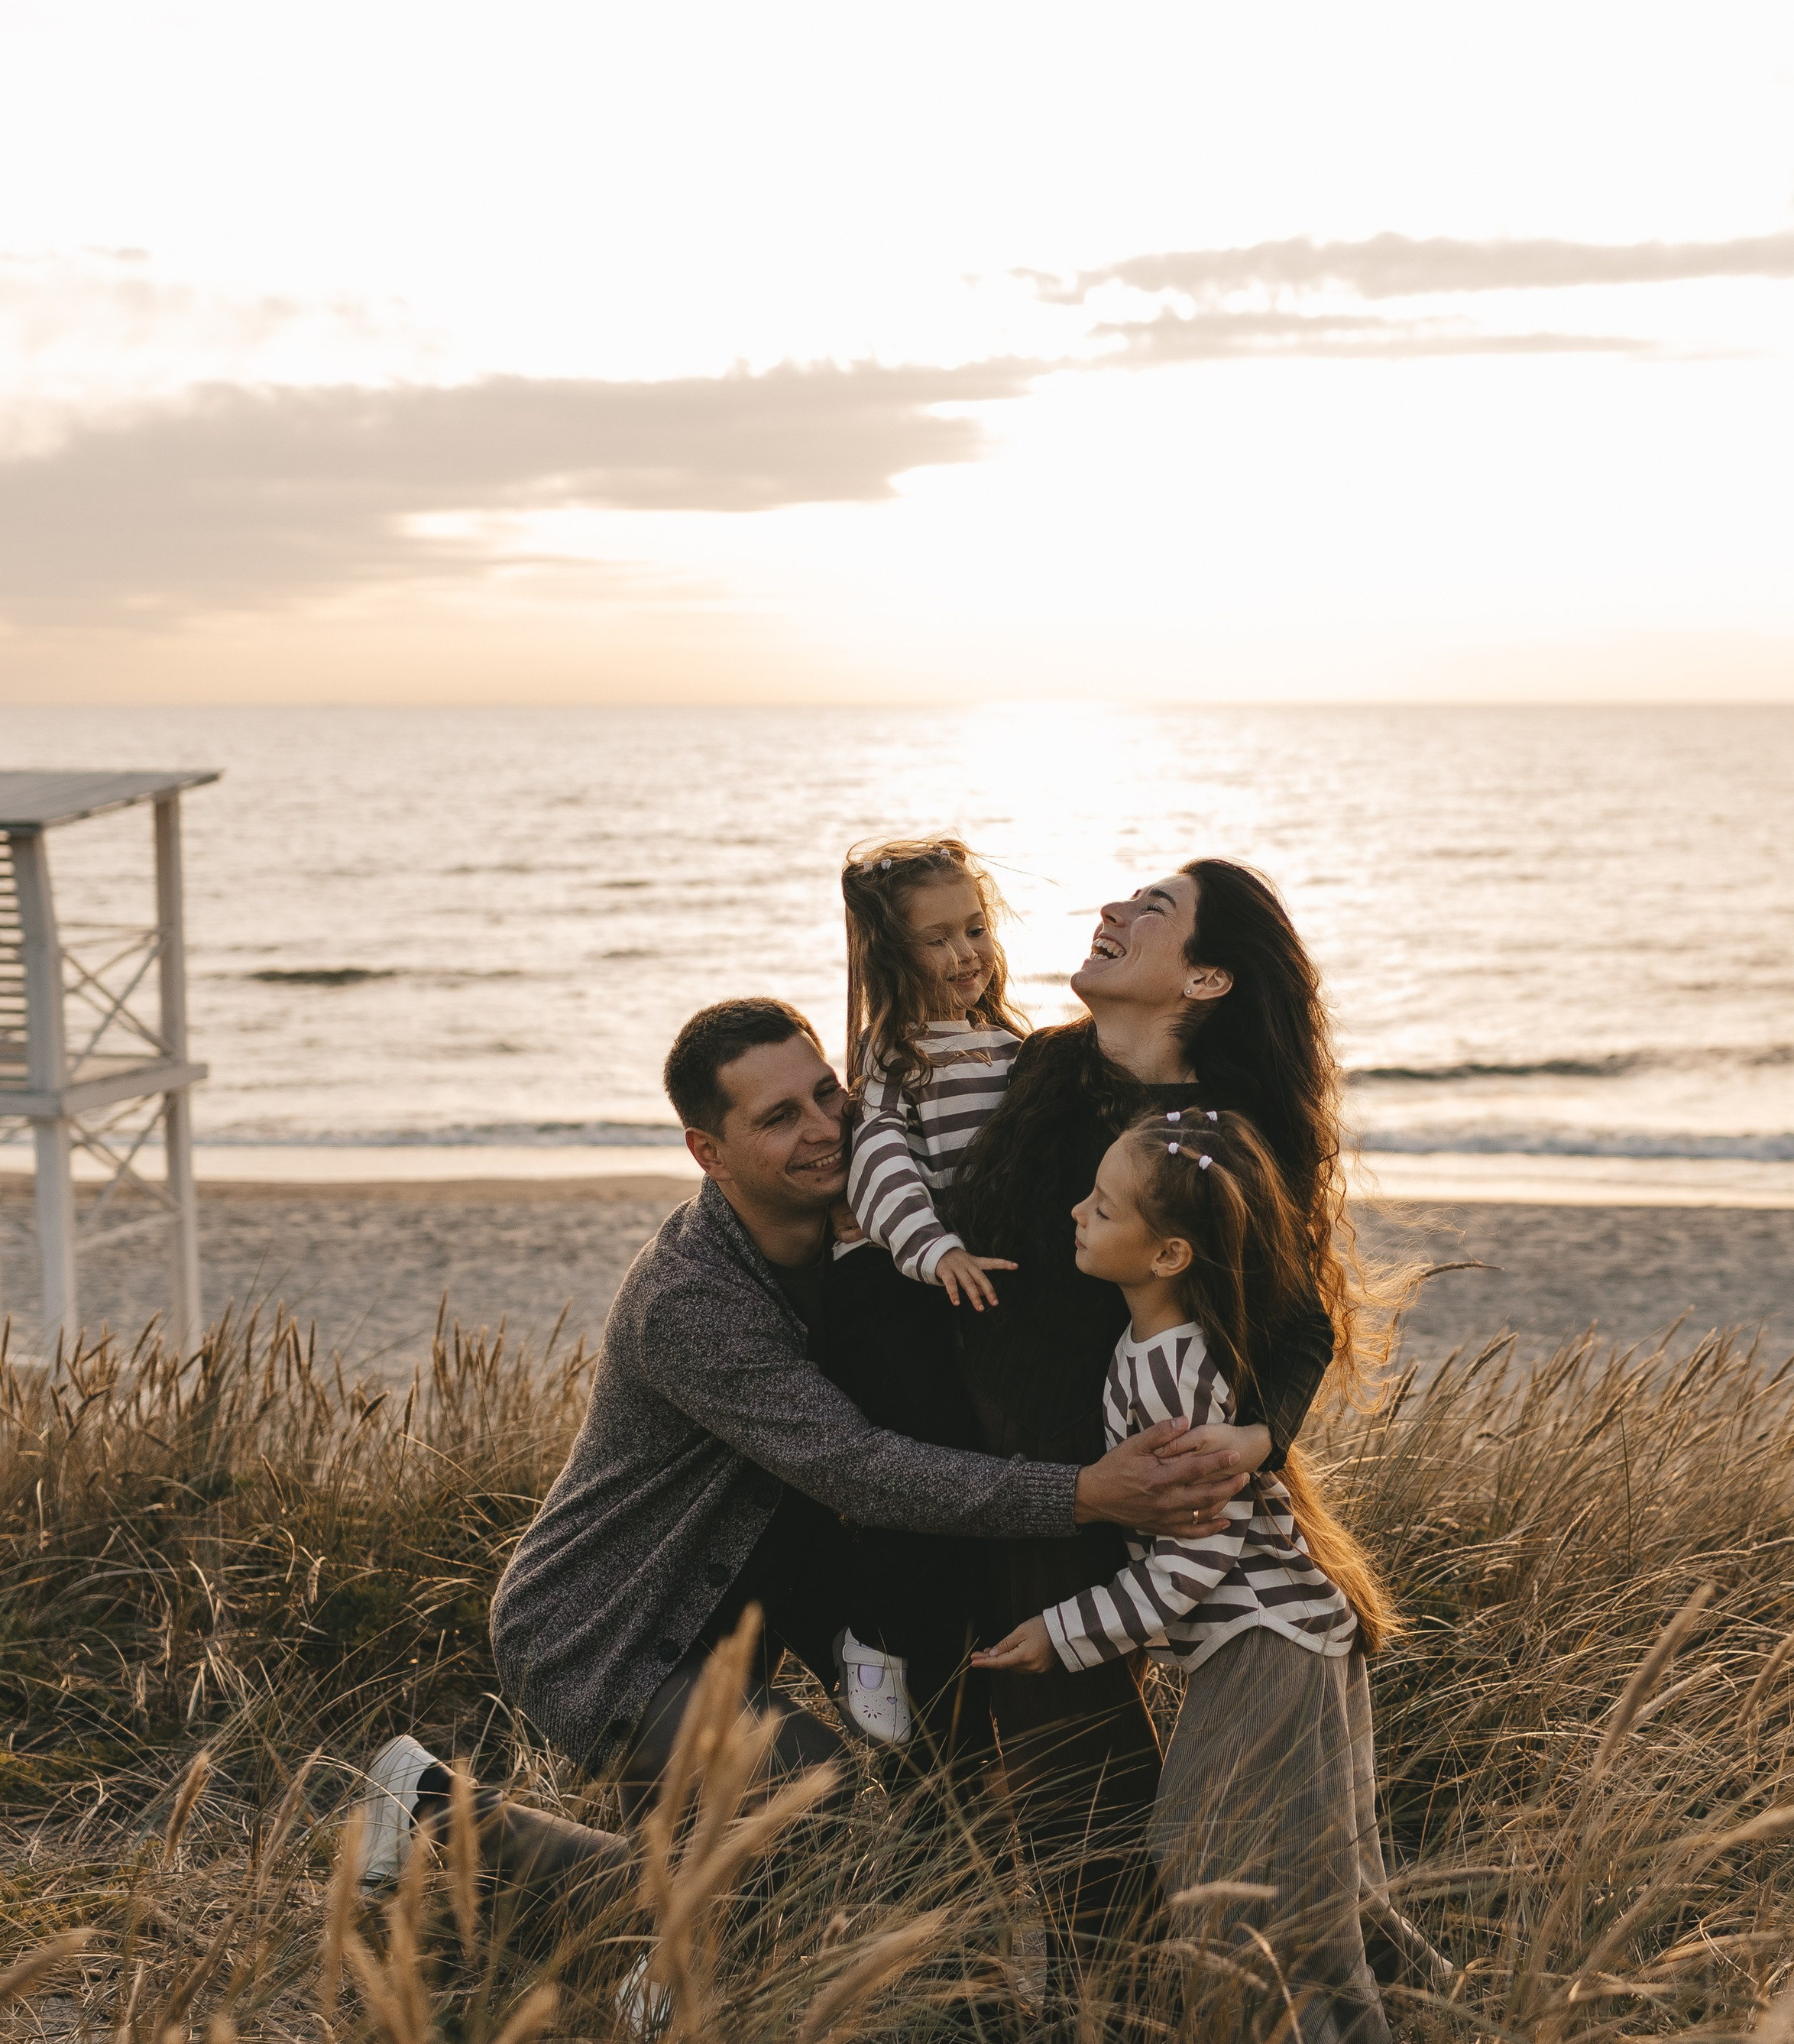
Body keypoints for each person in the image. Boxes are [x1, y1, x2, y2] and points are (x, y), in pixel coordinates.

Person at [351, 996, 1245, 1913]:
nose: (825, 1131)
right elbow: (855, 1466)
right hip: (604, 1629)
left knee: (740, 1878)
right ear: (709, 1153)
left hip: (742, 1606)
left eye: (830, 1096)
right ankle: (431, 1812)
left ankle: (596, 1980)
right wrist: (1085, 1495)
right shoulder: (692, 1303)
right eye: (781, 1118)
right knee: (804, 1804)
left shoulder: (863, 1237)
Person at [947, 860, 1368, 1967]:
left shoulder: (1227, 1140)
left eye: (1154, 910)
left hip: (1135, 1502)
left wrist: (1259, 1434)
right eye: (1123, 898)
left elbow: (1301, 1323)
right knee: (992, 1796)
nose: (1113, 912)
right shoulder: (1039, 1072)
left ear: (1209, 978)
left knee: (1131, 1829)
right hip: (990, 1486)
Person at [972, 1111, 1404, 2044]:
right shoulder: (1157, 1344)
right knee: (1313, 1847)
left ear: (1166, 1252)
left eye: (1102, 1205)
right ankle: (1368, 2029)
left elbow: (1194, 1560)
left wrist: (1063, 1633)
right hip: (1276, 1629)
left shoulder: (1175, 1370)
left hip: (1266, 1633)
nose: (1076, 1213)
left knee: (1210, 1855)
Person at [827, 836, 1027, 1740]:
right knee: (931, 1488)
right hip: (940, 1280)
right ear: (889, 959)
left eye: (975, 928)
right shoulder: (897, 1059)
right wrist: (932, 1249)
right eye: (935, 940)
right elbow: (883, 1172)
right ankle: (878, 1644)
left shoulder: (1012, 1045)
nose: (964, 954)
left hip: (999, 1287)